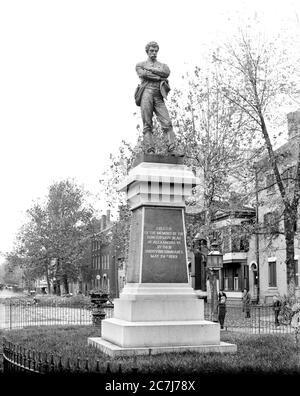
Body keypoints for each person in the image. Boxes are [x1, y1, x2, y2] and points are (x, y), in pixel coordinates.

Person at [135, 41, 180, 155]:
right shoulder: (140, 64)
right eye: (151, 50)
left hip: (158, 94)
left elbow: (166, 73)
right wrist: (159, 76)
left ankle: (172, 148)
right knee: (147, 124)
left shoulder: (162, 65)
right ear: (147, 51)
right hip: (146, 92)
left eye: (155, 51)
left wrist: (151, 71)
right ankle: (150, 149)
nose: (154, 53)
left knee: (167, 122)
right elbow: (143, 74)